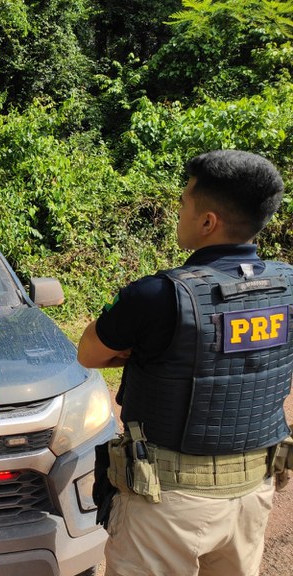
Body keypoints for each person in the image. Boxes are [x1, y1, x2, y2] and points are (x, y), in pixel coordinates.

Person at [77, 149, 293, 576]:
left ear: (207, 221)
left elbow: (90, 352)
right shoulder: (288, 284)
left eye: (183, 204)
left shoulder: (158, 295)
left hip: (167, 502)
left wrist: (149, 350)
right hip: (254, 490)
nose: (179, 212)